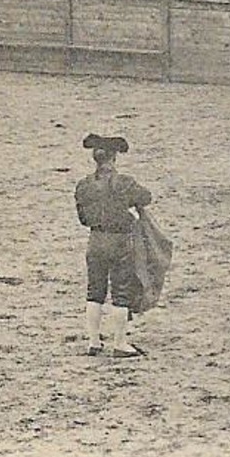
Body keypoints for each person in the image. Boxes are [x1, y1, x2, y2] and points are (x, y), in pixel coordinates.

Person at [74, 134, 151, 357]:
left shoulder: (83, 185)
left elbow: (82, 218)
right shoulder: (124, 182)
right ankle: (120, 343)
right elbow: (146, 197)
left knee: (94, 292)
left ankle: (94, 341)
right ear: (114, 157)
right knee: (121, 292)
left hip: (95, 241)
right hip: (119, 243)